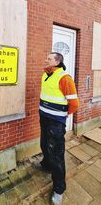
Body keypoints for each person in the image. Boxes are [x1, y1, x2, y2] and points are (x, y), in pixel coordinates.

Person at [35, 52, 79, 205]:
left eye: (48, 58)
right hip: (44, 118)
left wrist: (61, 116)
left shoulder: (64, 78)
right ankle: (46, 165)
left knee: (56, 154)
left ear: (56, 62)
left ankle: (59, 189)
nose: (45, 59)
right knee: (44, 144)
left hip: (56, 122)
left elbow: (74, 104)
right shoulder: (45, 75)